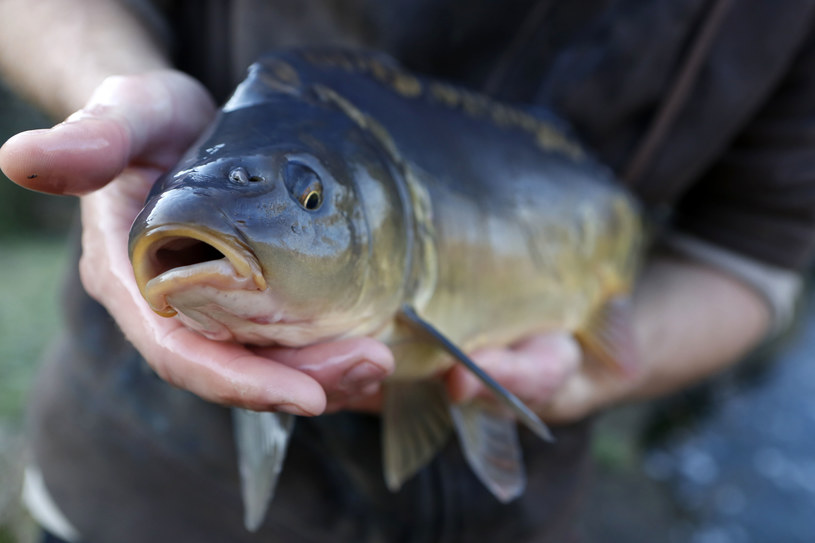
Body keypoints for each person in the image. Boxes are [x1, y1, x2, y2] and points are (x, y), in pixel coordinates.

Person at [0, 0, 811, 541]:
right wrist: (104, 82)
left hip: (508, 516)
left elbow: (751, 250)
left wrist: (581, 376)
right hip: (145, 490)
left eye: (308, 199)